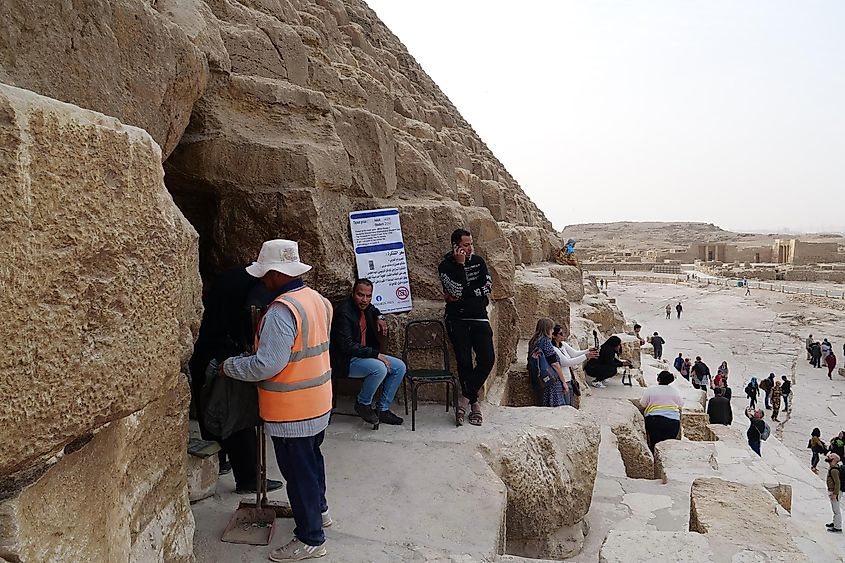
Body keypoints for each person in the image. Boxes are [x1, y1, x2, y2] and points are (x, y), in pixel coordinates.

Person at [221, 239, 333, 561]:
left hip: (292, 411)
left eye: (264, 274)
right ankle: (320, 512)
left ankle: (311, 538)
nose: (261, 280)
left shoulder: (282, 312)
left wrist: (230, 367)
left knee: (298, 477)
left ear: (274, 273)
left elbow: (266, 365)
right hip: (317, 403)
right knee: (312, 464)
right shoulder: (317, 300)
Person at [188, 265, 283, 494]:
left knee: (210, 408)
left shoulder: (233, 275)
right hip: (223, 356)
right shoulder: (256, 289)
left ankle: (217, 460)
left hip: (203, 352)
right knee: (239, 417)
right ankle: (248, 478)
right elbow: (249, 319)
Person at [329, 278, 405, 425]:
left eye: (368, 296)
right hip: (346, 360)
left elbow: (374, 310)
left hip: (363, 355)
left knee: (400, 367)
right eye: (360, 295)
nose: (364, 300)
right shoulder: (344, 313)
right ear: (353, 294)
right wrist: (376, 354)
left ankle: (383, 409)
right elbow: (347, 346)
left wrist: (380, 317)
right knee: (379, 369)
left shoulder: (367, 308)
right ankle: (363, 403)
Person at [439, 228, 495, 426]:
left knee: (487, 359)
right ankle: (475, 404)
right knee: (464, 362)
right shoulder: (445, 265)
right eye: (465, 245)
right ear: (455, 246)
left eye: (471, 244)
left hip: (479, 317)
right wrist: (461, 267)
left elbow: (487, 286)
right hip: (458, 319)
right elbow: (456, 290)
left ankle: (464, 398)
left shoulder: (478, 261)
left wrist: (463, 293)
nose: (470, 248)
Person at [551, 324, 597, 406]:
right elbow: (566, 362)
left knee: (570, 404)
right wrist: (586, 356)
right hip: (562, 381)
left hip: (569, 379)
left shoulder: (563, 345)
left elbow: (575, 354)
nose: (563, 335)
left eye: (563, 333)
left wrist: (588, 351)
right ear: (554, 336)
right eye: (560, 334)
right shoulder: (554, 349)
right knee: (565, 406)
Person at [527, 319, 569, 407]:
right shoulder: (545, 341)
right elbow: (555, 364)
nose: (553, 331)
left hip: (539, 379)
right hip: (550, 381)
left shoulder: (533, 341)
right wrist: (564, 382)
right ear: (548, 329)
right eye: (552, 328)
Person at [639, 370, 684, 452]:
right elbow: (681, 404)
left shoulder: (651, 390)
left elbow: (643, 404)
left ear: (658, 379)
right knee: (668, 448)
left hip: (654, 420)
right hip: (673, 422)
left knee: (655, 444)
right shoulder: (675, 391)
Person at [825, 453, 842, 533]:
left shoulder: (834, 470)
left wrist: (835, 494)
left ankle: (838, 527)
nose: (828, 456)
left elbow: (837, 483)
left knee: (836, 510)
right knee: (834, 509)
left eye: (831, 456)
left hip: (835, 492)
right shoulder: (832, 468)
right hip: (834, 491)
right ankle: (835, 522)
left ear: (834, 460)